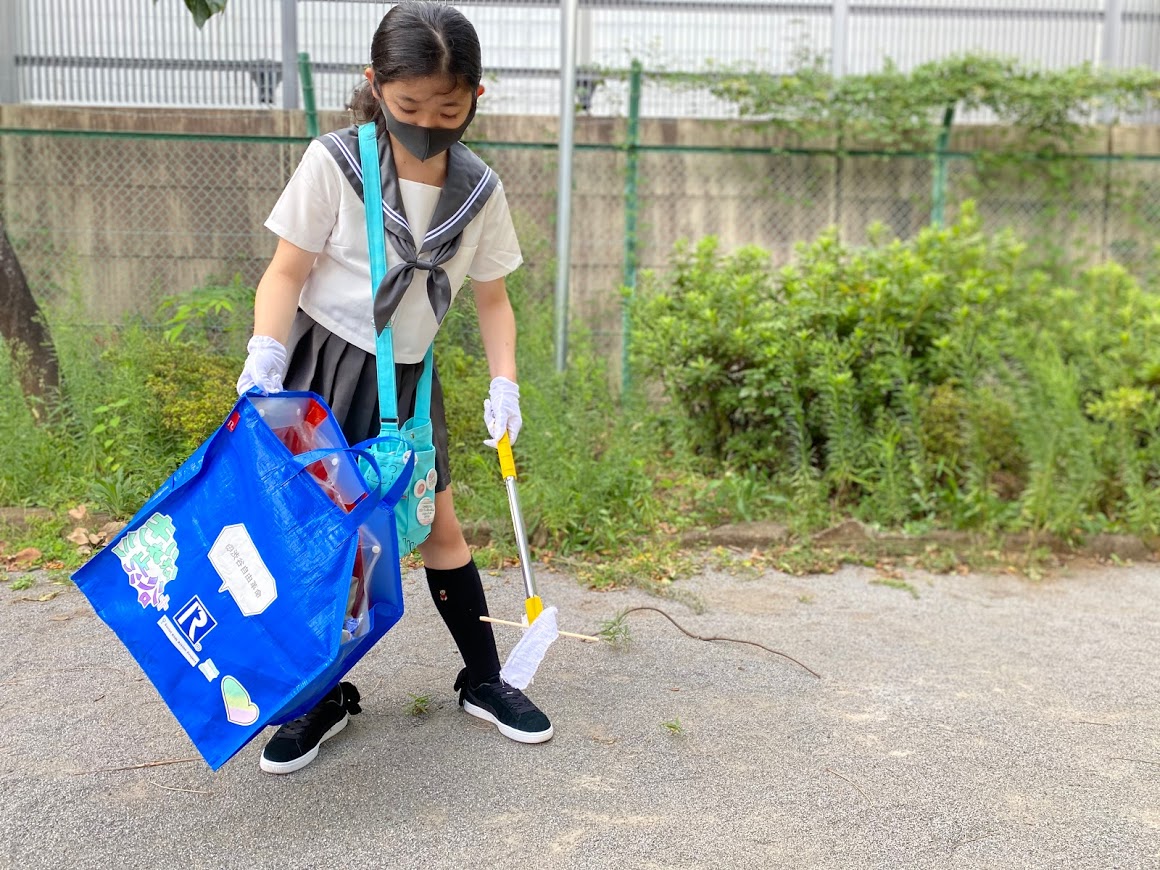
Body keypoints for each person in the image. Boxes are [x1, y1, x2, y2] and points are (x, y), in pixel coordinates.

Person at [235, 0, 552, 775]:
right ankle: (321, 700)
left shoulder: (478, 191)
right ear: (375, 85)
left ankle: (484, 678)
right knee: (326, 542)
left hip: (408, 383)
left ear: (477, 96)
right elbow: (287, 271)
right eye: (408, 106)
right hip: (319, 373)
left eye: (449, 108)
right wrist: (265, 354)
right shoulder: (336, 163)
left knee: (436, 524)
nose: (427, 123)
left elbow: (494, 300)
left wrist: (504, 383)